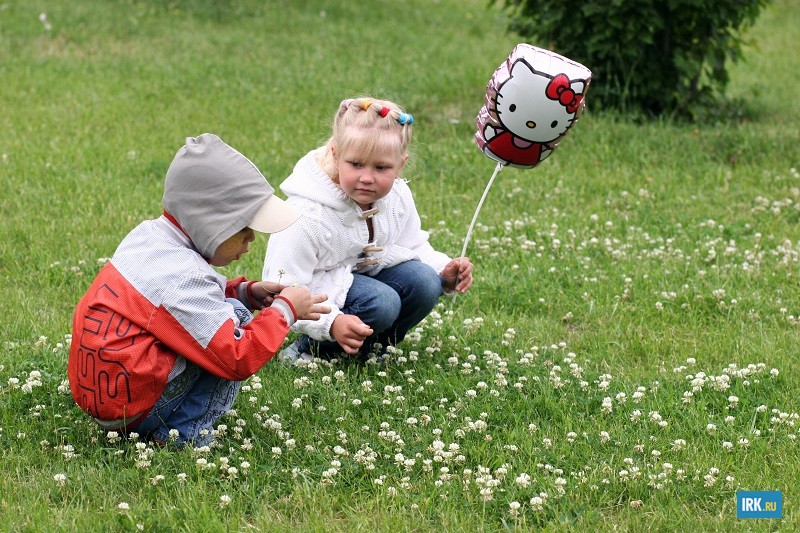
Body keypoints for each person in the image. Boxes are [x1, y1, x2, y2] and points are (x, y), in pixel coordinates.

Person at [68, 133, 329, 446]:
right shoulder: (186, 278)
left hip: (106, 398)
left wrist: (244, 291)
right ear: (211, 224)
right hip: (135, 409)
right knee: (237, 321)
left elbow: (175, 302)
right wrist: (284, 311)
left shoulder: (147, 237)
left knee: (230, 308)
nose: (251, 240)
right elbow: (237, 358)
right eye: (244, 231)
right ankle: (183, 437)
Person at [262, 97, 474, 364]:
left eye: (381, 167)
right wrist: (331, 323)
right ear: (336, 155)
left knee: (426, 281)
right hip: (319, 293)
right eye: (356, 164)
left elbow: (413, 246)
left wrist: (444, 270)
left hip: (364, 279)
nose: (367, 178)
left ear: (400, 165)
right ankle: (311, 350)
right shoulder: (305, 216)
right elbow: (282, 288)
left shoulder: (397, 196)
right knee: (382, 302)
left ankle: (373, 349)